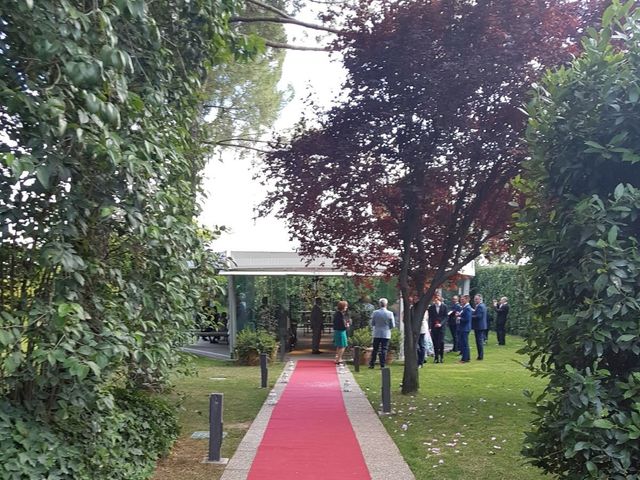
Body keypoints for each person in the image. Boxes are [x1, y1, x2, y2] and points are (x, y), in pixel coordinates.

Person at [369, 298, 395, 369]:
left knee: (375, 349)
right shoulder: (390, 313)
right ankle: (382, 365)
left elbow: (372, 323)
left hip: (377, 332)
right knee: (384, 349)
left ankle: (372, 364)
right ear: (386, 304)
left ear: (379, 304)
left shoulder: (375, 312)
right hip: (386, 333)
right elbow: (392, 325)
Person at [428, 294, 448, 363]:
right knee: (435, 342)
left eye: (436, 299)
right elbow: (430, 318)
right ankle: (436, 357)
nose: (435, 301)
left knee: (441, 342)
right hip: (434, 327)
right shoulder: (431, 307)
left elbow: (446, 317)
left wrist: (441, 324)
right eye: (434, 299)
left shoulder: (444, 307)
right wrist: (430, 327)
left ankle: (441, 356)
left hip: (441, 327)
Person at [333, 300, 350, 364]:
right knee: (343, 345)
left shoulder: (337, 313)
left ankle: (337, 358)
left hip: (337, 331)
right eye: (345, 306)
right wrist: (347, 325)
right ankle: (338, 359)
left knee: (338, 345)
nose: (346, 307)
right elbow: (343, 324)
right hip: (341, 331)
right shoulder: (340, 315)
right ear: (343, 307)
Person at [472, 294, 488, 360]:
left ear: (480, 299)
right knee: (479, 341)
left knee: (479, 341)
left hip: (479, 326)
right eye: (475, 299)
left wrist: (470, 316)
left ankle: (480, 356)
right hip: (480, 325)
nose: (475, 300)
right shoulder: (481, 306)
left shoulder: (480, 306)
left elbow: (478, 316)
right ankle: (480, 355)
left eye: (476, 299)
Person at [458, 295, 472, 363]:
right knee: (464, 343)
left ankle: (464, 359)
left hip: (465, 328)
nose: (461, 301)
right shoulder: (464, 307)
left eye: (463, 299)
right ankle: (467, 357)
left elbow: (467, 319)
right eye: (461, 299)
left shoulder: (468, 308)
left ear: (467, 300)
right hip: (463, 327)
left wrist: (460, 318)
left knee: (464, 344)